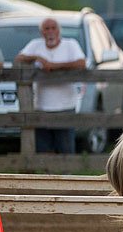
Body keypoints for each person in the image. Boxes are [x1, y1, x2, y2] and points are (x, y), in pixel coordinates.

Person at [14, 17, 86, 153]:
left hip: (65, 107)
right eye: (47, 29)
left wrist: (54, 66)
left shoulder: (70, 44)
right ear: (42, 32)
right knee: (43, 150)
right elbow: (19, 58)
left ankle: (66, 174)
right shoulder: (35, 45)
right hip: (41, 107)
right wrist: (38, 57)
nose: (50, 31)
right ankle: (47, 174)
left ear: (59, 31)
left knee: (66, 150)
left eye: (54, 28)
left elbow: (81, 63)